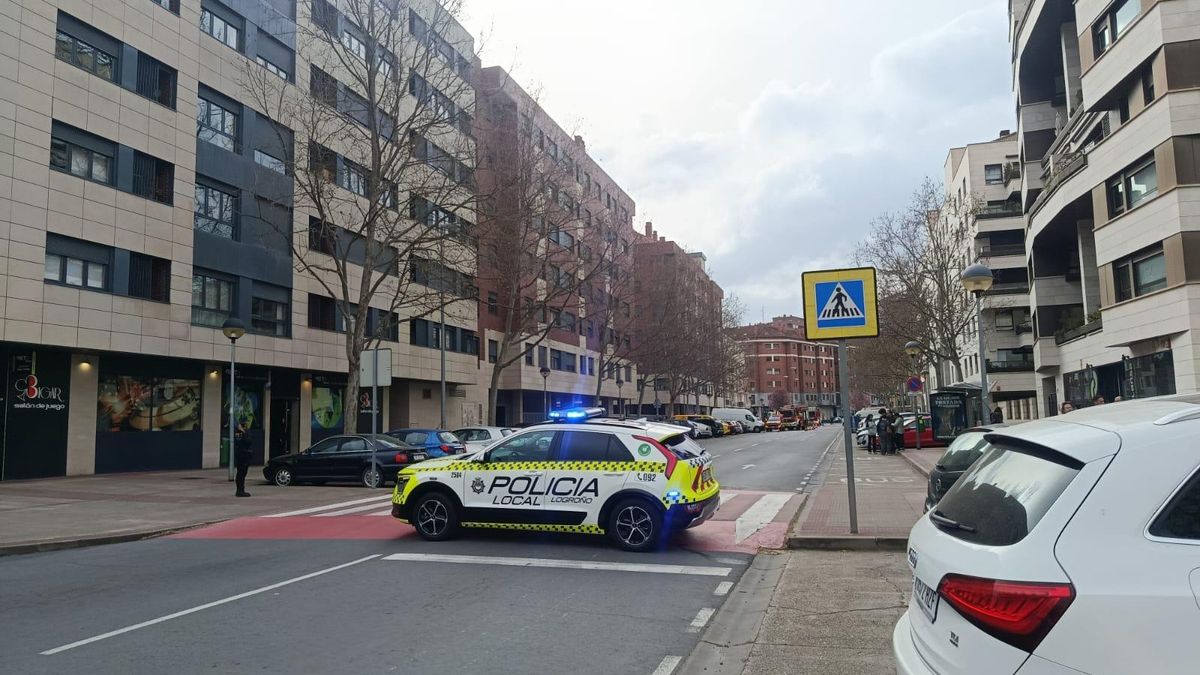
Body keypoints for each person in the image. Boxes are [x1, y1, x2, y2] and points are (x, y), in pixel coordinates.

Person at [234, 422, 252, 497]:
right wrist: (244, 432)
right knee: (241, 473)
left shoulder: (237, 432)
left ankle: (240, 490)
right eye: (244, 425)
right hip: (243, 455)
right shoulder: (241, 433)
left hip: (240, 454)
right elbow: (248, 442)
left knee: (240, 473)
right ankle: (240, 490)